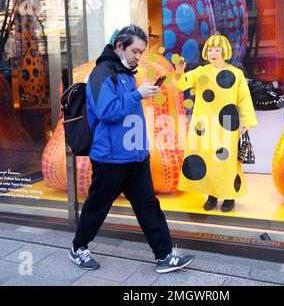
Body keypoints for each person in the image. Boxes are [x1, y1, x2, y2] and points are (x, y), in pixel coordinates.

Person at [69, 25, 194, 273]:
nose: (138, 56)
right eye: (135, 50)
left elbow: (127, 111)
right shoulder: (101, 74)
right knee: (97, 206)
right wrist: (137, 94)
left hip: (135, 155)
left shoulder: (126, 73)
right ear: (119, 47)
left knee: (148, 206)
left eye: (142, 51)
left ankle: (165, 255)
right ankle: (78, 248)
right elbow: (107, 112)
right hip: (110, 158)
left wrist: (139, 93)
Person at [175, 32, 258, 212]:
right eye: (210, 49)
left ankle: (229, 196)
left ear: (225, 51)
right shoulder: (200, 72)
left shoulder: (236, 74)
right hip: (204, 124)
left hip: (228, 124)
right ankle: (211, 196)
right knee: (208, 160)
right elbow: (182, 85)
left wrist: (247, 122)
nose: (213, 53)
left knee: (226, 161)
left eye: (217, 49)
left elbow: (244, 99)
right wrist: (180, 72)